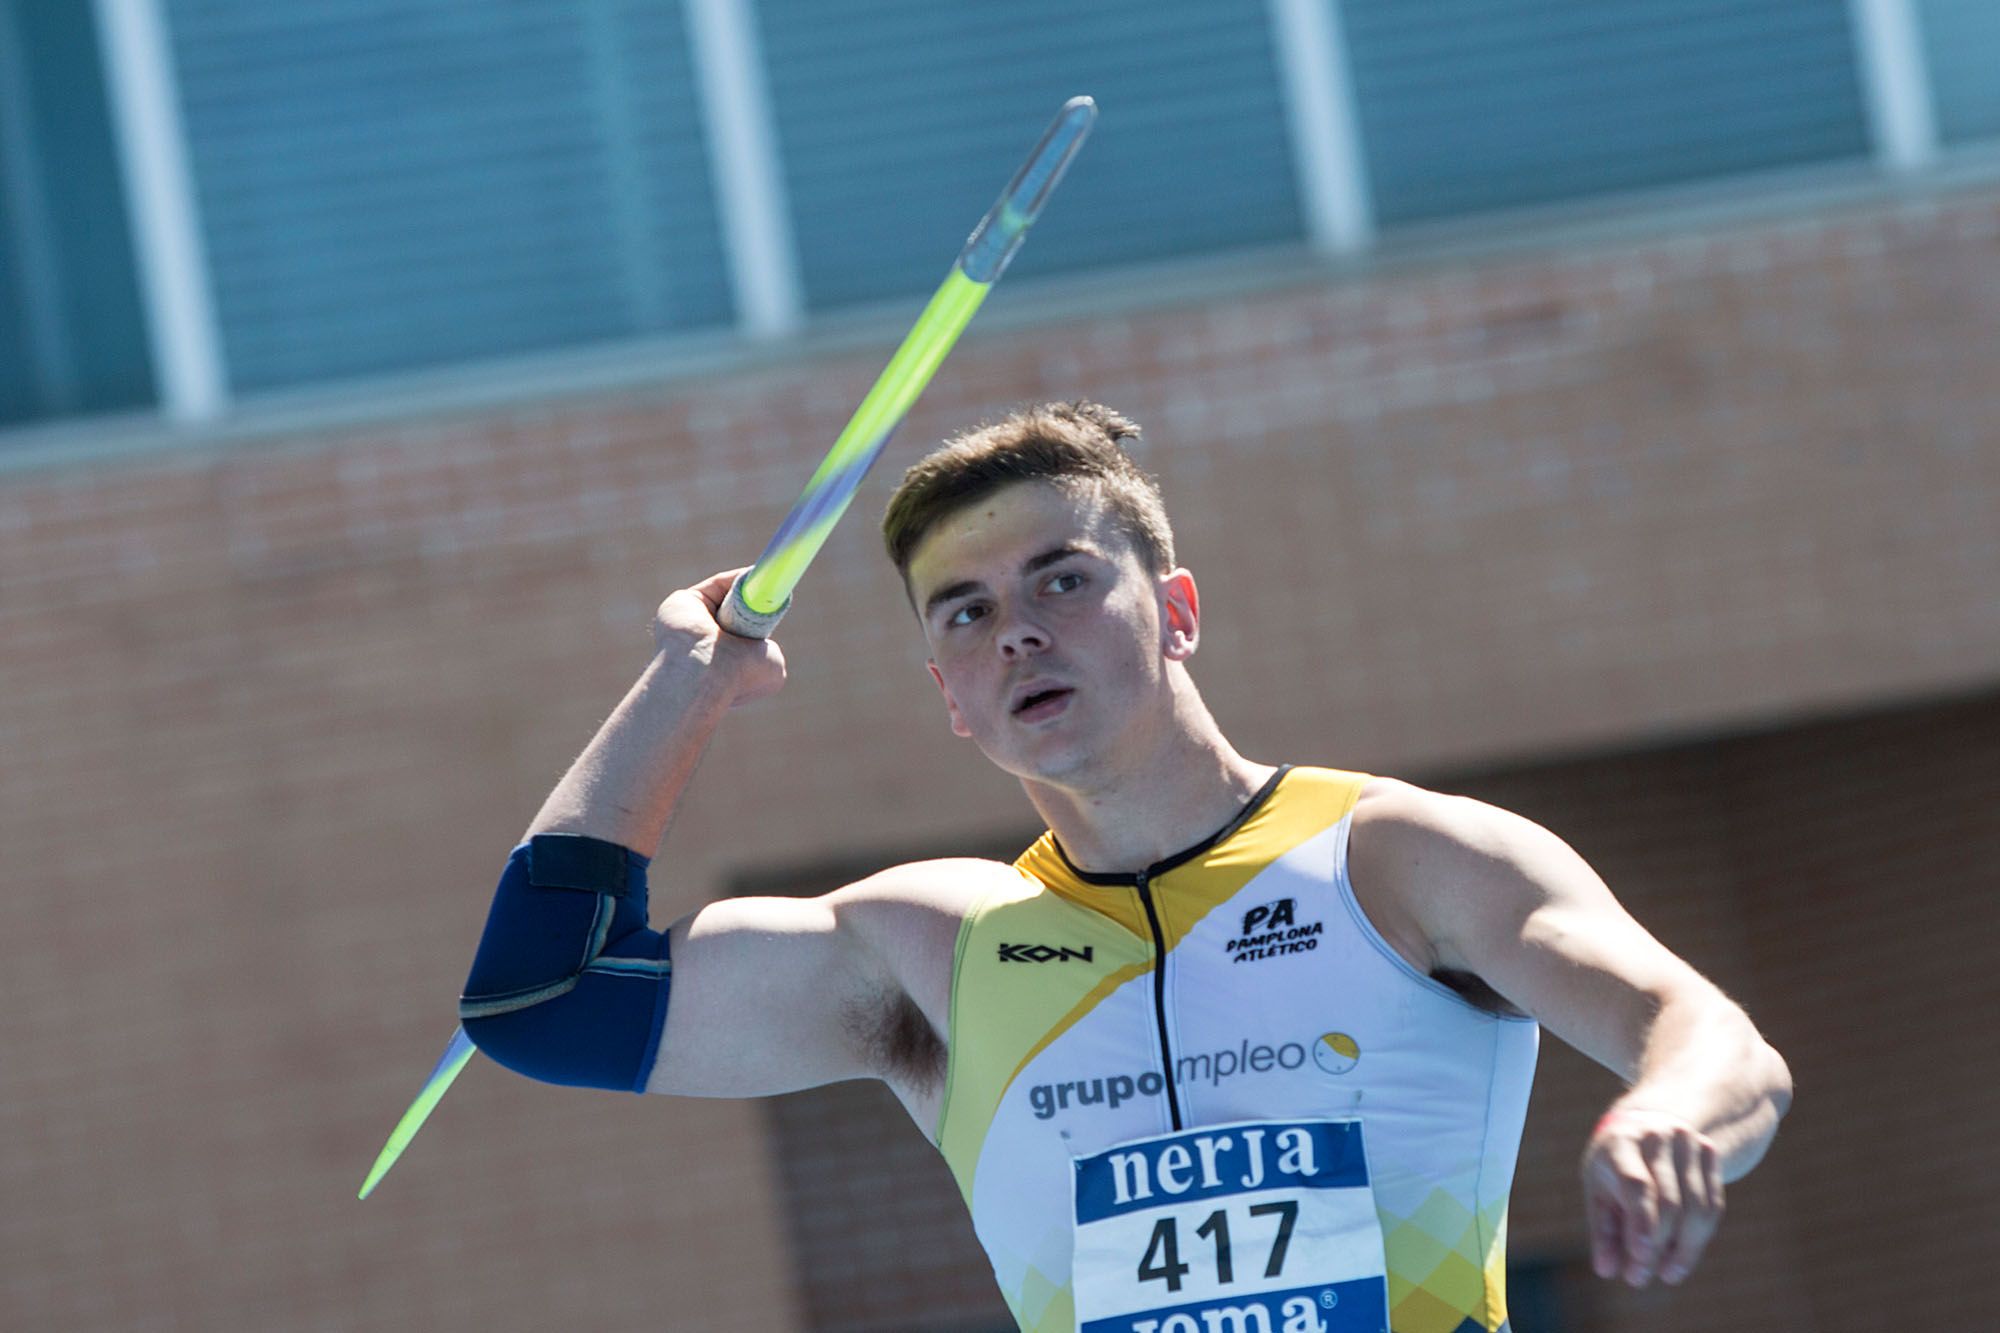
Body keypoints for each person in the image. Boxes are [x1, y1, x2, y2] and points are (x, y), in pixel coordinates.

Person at [458, 401, 1792, 1333]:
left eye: (1061, 580)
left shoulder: (1396, 858)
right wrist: (683, 689)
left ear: (1181, 611)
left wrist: (1667, 1113)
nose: (1018, 634)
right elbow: (538, 1003)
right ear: (951, 699)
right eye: (968, 614)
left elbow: (1709, 1035)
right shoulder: (934, 950)